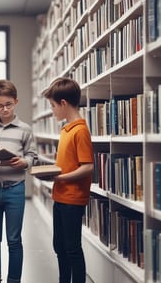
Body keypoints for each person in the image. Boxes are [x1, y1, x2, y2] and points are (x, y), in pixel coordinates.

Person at [0, 79, 37, 283]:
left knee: (14, 239)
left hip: (15, 190)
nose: (4, 109)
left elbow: (32, 156)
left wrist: (23, 162)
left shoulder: (25, 129)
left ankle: (14, 280)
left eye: (8, 104)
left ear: (16, 102)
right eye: (0, 105)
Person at [42, 77, 94, 283]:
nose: (52, 110)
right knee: (59, 246)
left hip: (72, 198)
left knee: (72, 247)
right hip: (60, 196)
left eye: (53, 106)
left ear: (63, 103)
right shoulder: (65, 130)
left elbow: (88, 166)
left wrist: (59, 176)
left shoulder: (80, 131)